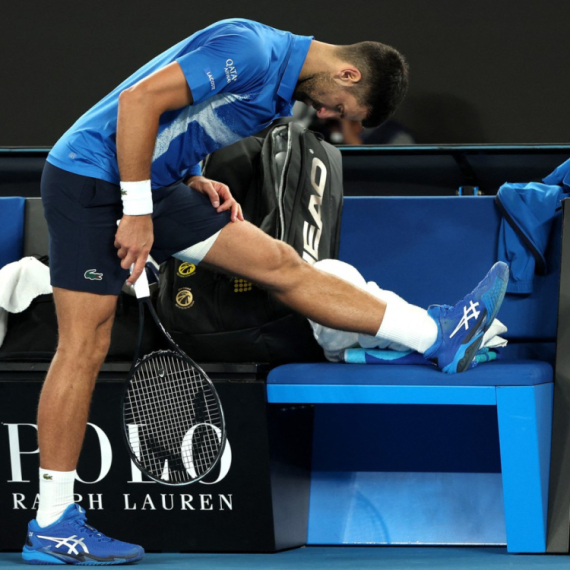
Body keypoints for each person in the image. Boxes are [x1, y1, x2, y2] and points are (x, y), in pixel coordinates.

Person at [23, 18, 508, 565]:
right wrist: (137, 212)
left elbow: (186, 119)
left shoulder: (278, 94)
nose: (328, 115)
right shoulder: (251, 49)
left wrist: (190, 174)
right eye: (340, 108)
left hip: (155, 185)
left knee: (281, 264)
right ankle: (53, 522)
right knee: (83, 346)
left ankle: (437, 334)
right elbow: (139, 102)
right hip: (89, 180)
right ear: (348, 73)